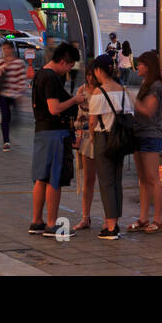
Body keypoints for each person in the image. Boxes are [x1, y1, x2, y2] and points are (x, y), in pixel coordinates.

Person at [29, 44, 88, 237]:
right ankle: (52, 224)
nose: (69, 70)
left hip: (42, 132)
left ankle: (37, 221)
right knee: (54, 178)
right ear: (63, 61)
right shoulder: (52, 78)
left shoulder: (40, 74)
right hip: (55, 134)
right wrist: (75, 101)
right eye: (69, 66)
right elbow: (54, 108)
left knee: (41, 178)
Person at [88, 56, 133, 240]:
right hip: (120, 140)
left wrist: (92, 138)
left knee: (106, 182)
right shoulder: (122, 90)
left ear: (99, 71)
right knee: (116, 181)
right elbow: (129, 114)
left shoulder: (99, 92)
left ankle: (112, 227)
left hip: (103, 139)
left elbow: (92, 122)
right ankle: (111, 221)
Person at [129, 50, 162, 234]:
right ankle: (143, 217)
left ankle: (157, 218)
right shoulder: (146, 84)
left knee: (153, 178)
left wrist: (129, 99)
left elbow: (148, 110)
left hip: (151, 134)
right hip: (139, 133)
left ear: (148, 67)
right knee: (143, 179)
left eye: (141, 64)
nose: (138, 67)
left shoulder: (156, 86)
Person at [71, 63, 98, 233]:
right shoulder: (82, 90)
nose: (89, 78)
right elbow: (78, 117)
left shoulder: (103, 91)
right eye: (88, 74)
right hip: (86, 139)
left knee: (104, 179)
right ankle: (85, 216)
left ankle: (109, 219)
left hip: (100, 138)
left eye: (92, 75)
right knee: (88, 179)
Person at [0, 40, 28, 151]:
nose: (6, 51)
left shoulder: (19, 63)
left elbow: (22, 79)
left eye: (8, 48)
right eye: (4, 49)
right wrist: (3, 67)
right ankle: (6, 140)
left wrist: (21, 92)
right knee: (5, 117)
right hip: (3, 94)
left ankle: (11, 135)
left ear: (12, 49)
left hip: (15, 94)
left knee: (16, 118)